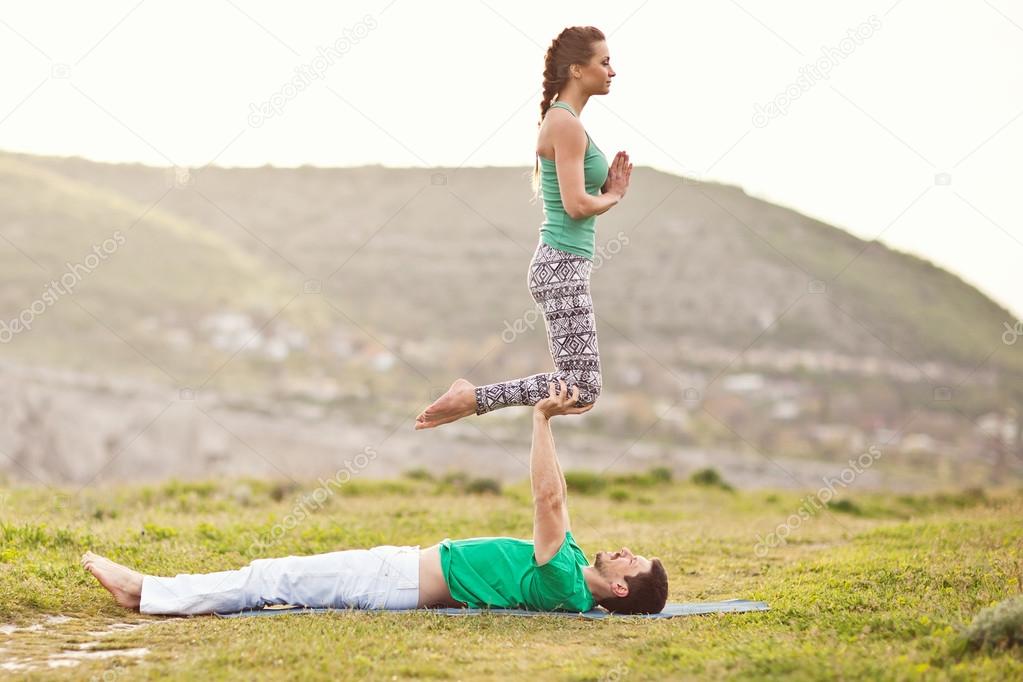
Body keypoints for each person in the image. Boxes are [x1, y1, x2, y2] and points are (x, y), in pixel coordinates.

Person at [82, 380, 668, 616]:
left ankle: (146, 594)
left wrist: (541, 419)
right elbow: (556, 509)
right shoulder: (572, 567)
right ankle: (156, 593)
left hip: (394, 582)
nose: (622, 549)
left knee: (273, 577)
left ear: (620, 588)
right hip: (401, 569)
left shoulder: (563, 584)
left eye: (631, 559)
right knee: (279, 579)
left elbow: (549, 501)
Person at [414, 26, 633, 430]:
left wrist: (604, 187)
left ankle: (486, 404)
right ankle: (471, 398)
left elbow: (580, 195)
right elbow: (576, 205)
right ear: (577, 70)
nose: (612, 71)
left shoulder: (567, 123)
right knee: (582, 388)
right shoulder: (565, 123)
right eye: (604, 62)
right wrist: (614, 195)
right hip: (561, 266)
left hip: (564, 265)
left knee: (580, 389)